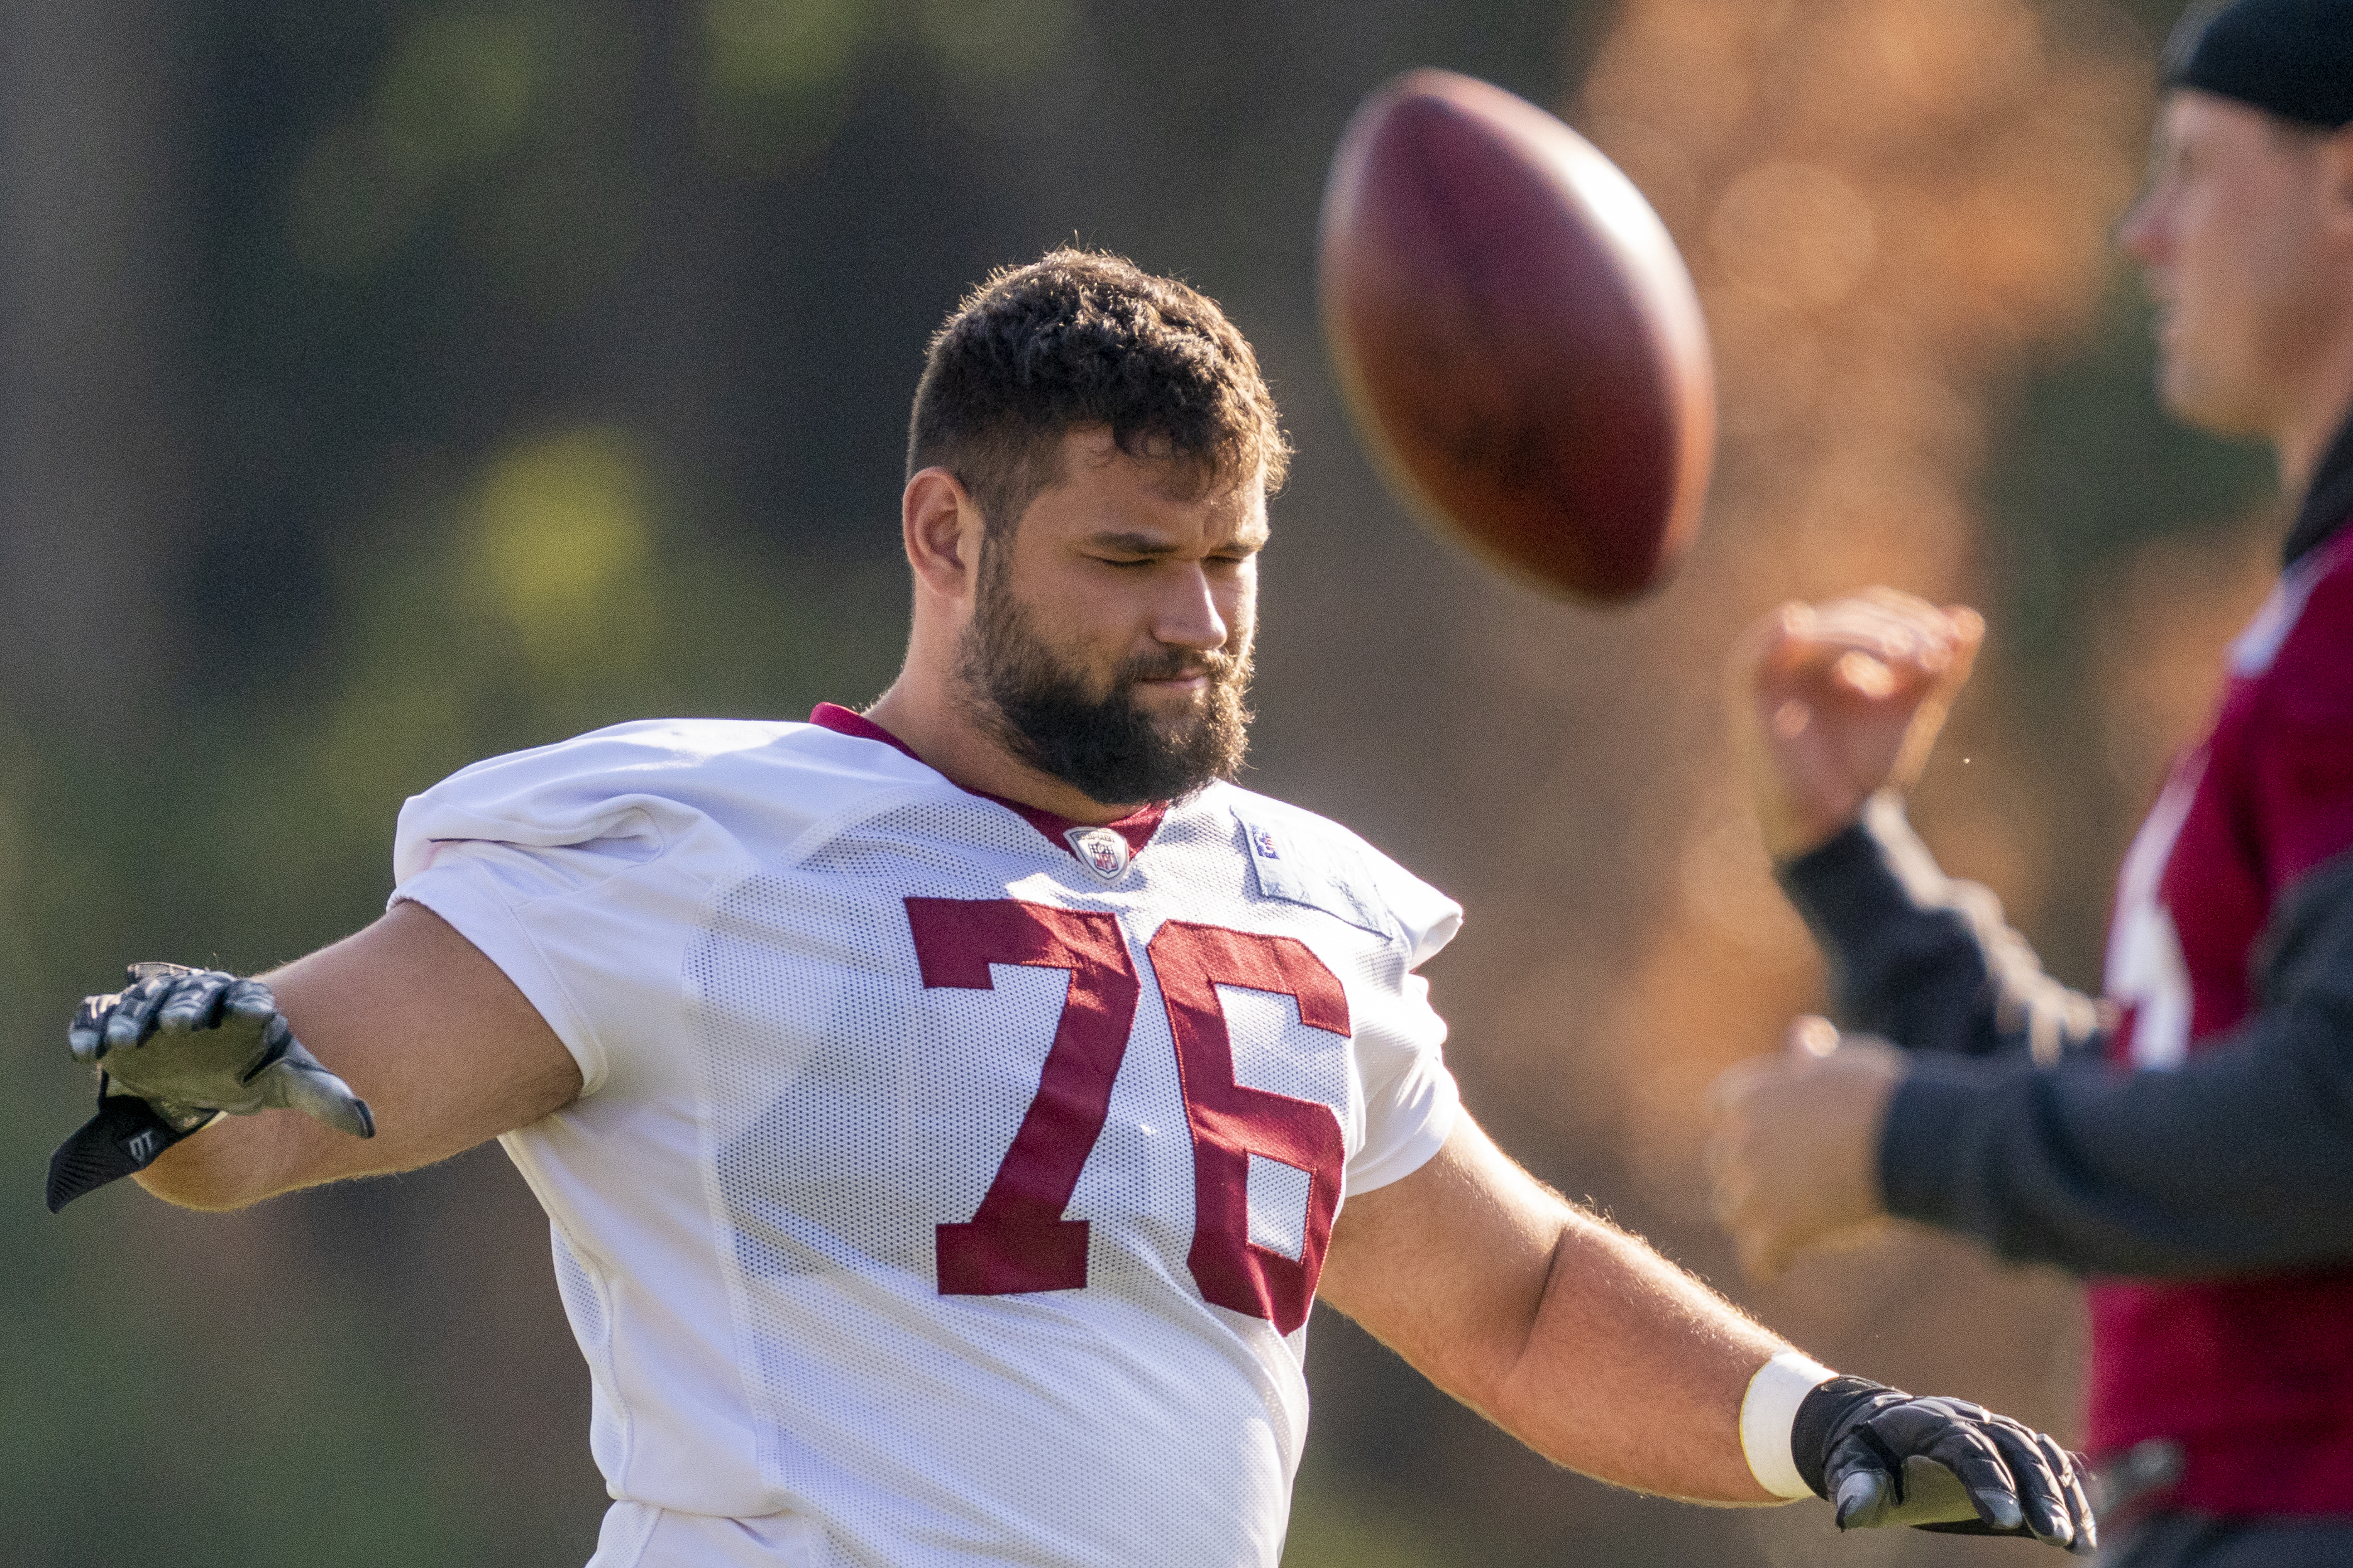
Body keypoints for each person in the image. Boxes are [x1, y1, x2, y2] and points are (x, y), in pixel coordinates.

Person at [50, 249, 2092, 1566]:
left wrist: (1808, 1413)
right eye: (1130, 557)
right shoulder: (702, 849)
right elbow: (317, 1087)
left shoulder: (1284, 902)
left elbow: (1513, 1296)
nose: (1199, 621)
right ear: (945, 532)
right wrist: (196, 1083)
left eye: (1231, 556)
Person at [1707, 1, 2353, 1563]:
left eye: (2194, 168)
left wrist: (1902, 1139)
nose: (2145, 234)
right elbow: (2189, 1113)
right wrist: (1856, 868)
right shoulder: (2314, 614)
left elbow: (2328, 1122)